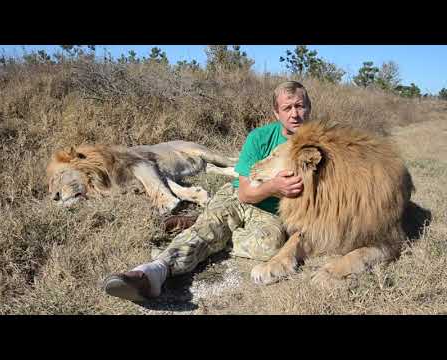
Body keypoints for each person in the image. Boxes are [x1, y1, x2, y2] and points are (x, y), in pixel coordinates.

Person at [102, 81, 312, 303]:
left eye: (300, 106)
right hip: (240, 198)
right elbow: (244, 193)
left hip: (272, 214)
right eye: (287, 108)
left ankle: (208, 224)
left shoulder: (320, 143)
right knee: (208, 229)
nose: (295, 114)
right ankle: (152, 273)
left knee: (270, 247)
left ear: (309, 107)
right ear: (276, 112)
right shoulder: (259, 138)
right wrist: (274, 186)